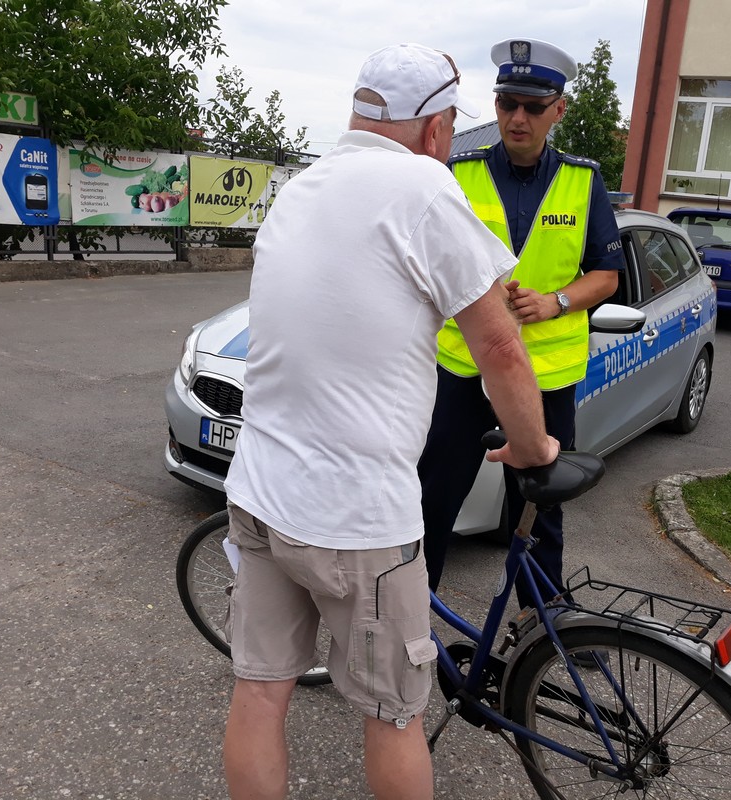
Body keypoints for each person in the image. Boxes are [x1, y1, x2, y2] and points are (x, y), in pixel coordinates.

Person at [220, 43, 559, 800]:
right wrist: (533, 446)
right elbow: (499, 343)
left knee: (260, 691)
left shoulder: (300, 188)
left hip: (260, 495)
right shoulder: (423, 188)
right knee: (395, 714)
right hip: (358, 515)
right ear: (436, 128)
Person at [419, 38, 625, 605]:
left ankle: (542, 622)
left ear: (559, 110)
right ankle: (404, 619)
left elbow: (607, 275)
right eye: (507, 103)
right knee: (433, 498)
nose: (517, 117)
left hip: (543, 379)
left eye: (534, 107)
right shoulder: (457, 174)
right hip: (464, 370)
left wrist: (557, 301)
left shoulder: (582, 181)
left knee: (538, 509)